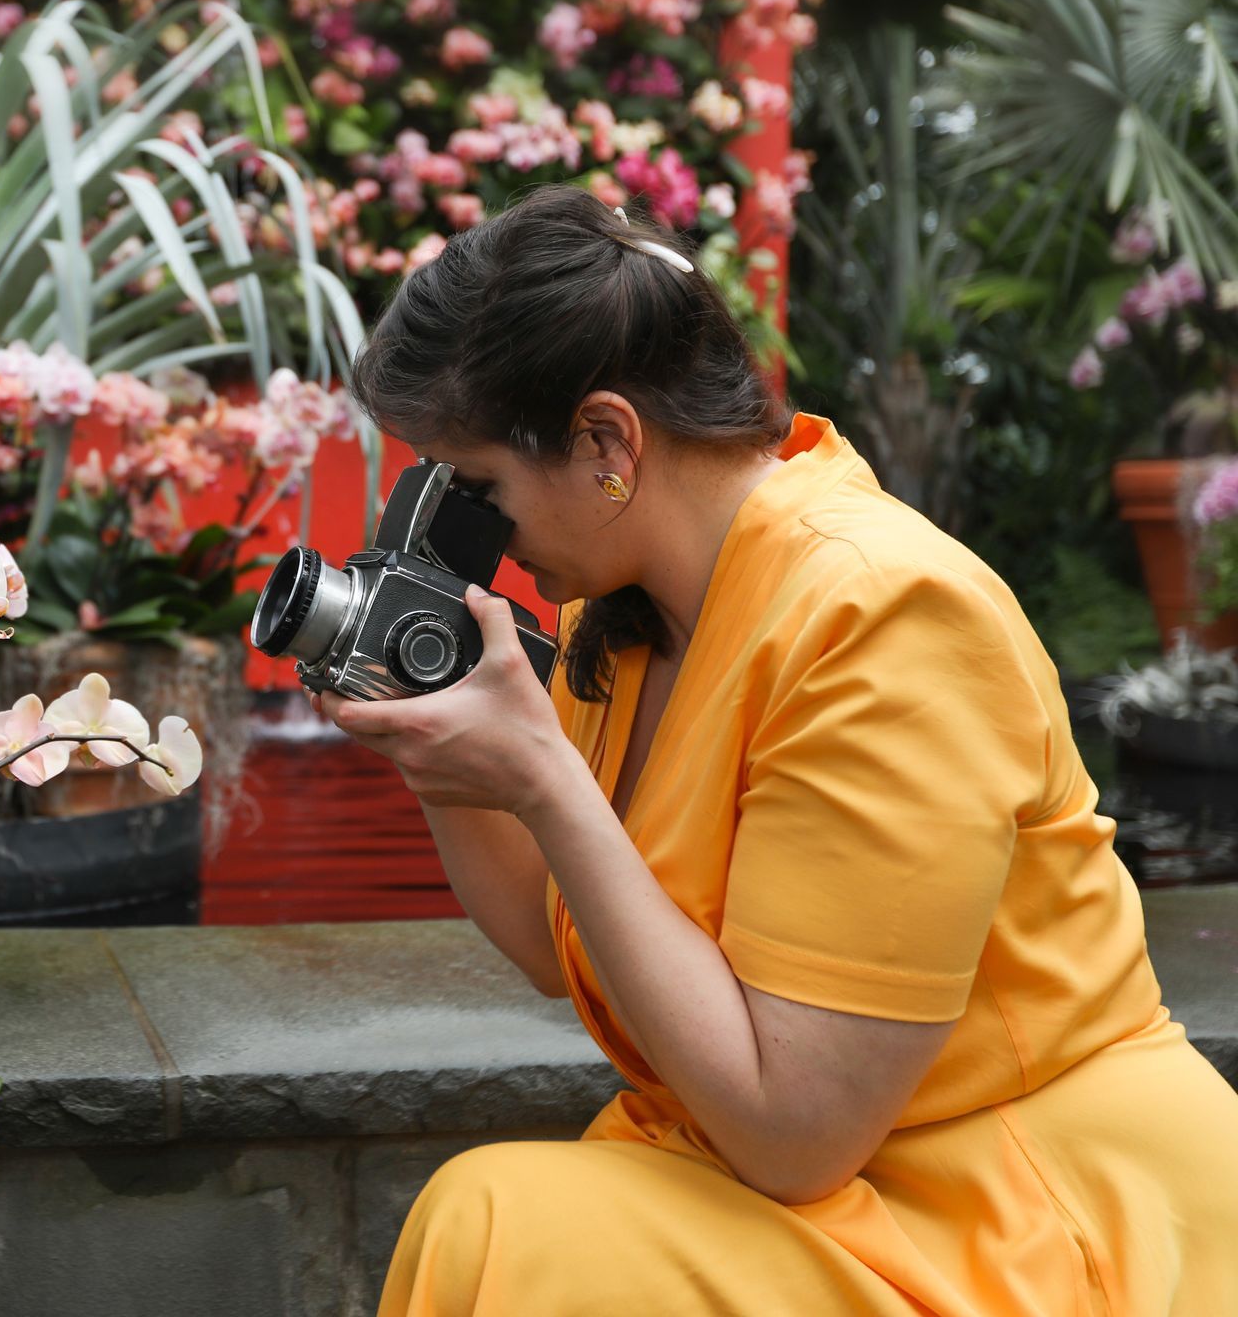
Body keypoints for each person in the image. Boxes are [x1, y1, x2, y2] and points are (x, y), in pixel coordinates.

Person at [318, 184, 1238, 1315]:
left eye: (481, 486)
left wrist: (549, 786)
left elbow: (799, 1129)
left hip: (1020, 1209)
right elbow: (563, 950)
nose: (468, 529)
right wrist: (434, 729)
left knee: (504, 1220)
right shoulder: (641, 614)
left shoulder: (888, 613)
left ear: (606, 440)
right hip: (819, 1184)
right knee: (496, 1217)